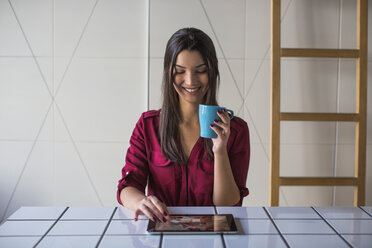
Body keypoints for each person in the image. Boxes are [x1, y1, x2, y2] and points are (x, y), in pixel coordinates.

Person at [117, 27, 250, 223]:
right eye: (180, 71)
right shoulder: (148, 126)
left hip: (213, 238)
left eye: (201, 71)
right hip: (162, 233)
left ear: (212, 72)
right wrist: (140, 202)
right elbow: (127, 187)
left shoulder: (236, 131)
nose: (190, 80)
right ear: (168, 73)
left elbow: (227, 205)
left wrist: (220, 151)